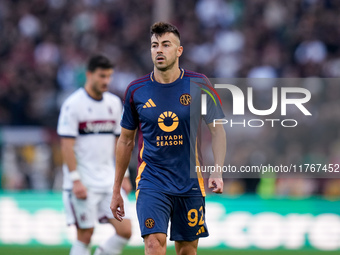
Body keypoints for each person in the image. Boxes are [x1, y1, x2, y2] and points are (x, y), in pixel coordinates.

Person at [110, 22, 226, 255]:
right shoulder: (136, 90)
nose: (159, 50)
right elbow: (125, 141)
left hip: (190, 182)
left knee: (186, 251)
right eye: (154, 45)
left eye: (165, 44)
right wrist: (116, 190)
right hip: (152, 181)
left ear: (179, 51)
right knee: (153, 244)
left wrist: (217, 171)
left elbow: (218, 131)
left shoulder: (200, 84)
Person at [57, 55, 132, 255]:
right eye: (101, 76)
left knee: (125, 230)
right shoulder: (73, 105)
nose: (106, 81)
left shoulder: (114, 103)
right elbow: (66, 145)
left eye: (109, 76)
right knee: (86, 234)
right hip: (84, 182)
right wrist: (75, 180)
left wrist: (124, 175)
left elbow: (120, 141)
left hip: (108, 180)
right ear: (89, 75)